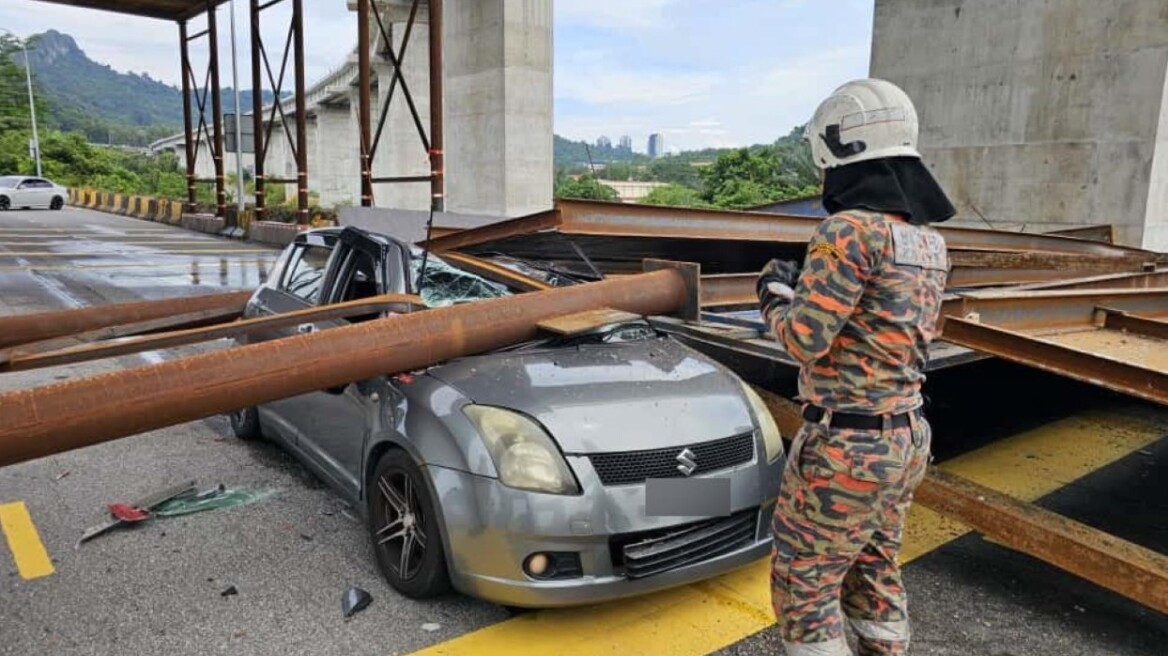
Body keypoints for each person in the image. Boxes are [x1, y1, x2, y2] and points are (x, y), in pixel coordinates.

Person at [757, 78, 955, 656]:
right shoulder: (927, 243)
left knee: (804, 583)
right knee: (874, 568)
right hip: (906, 437)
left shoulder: (848, 231)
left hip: (848, 444)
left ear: (840, 151)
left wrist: (773, 294)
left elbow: (804, 338)